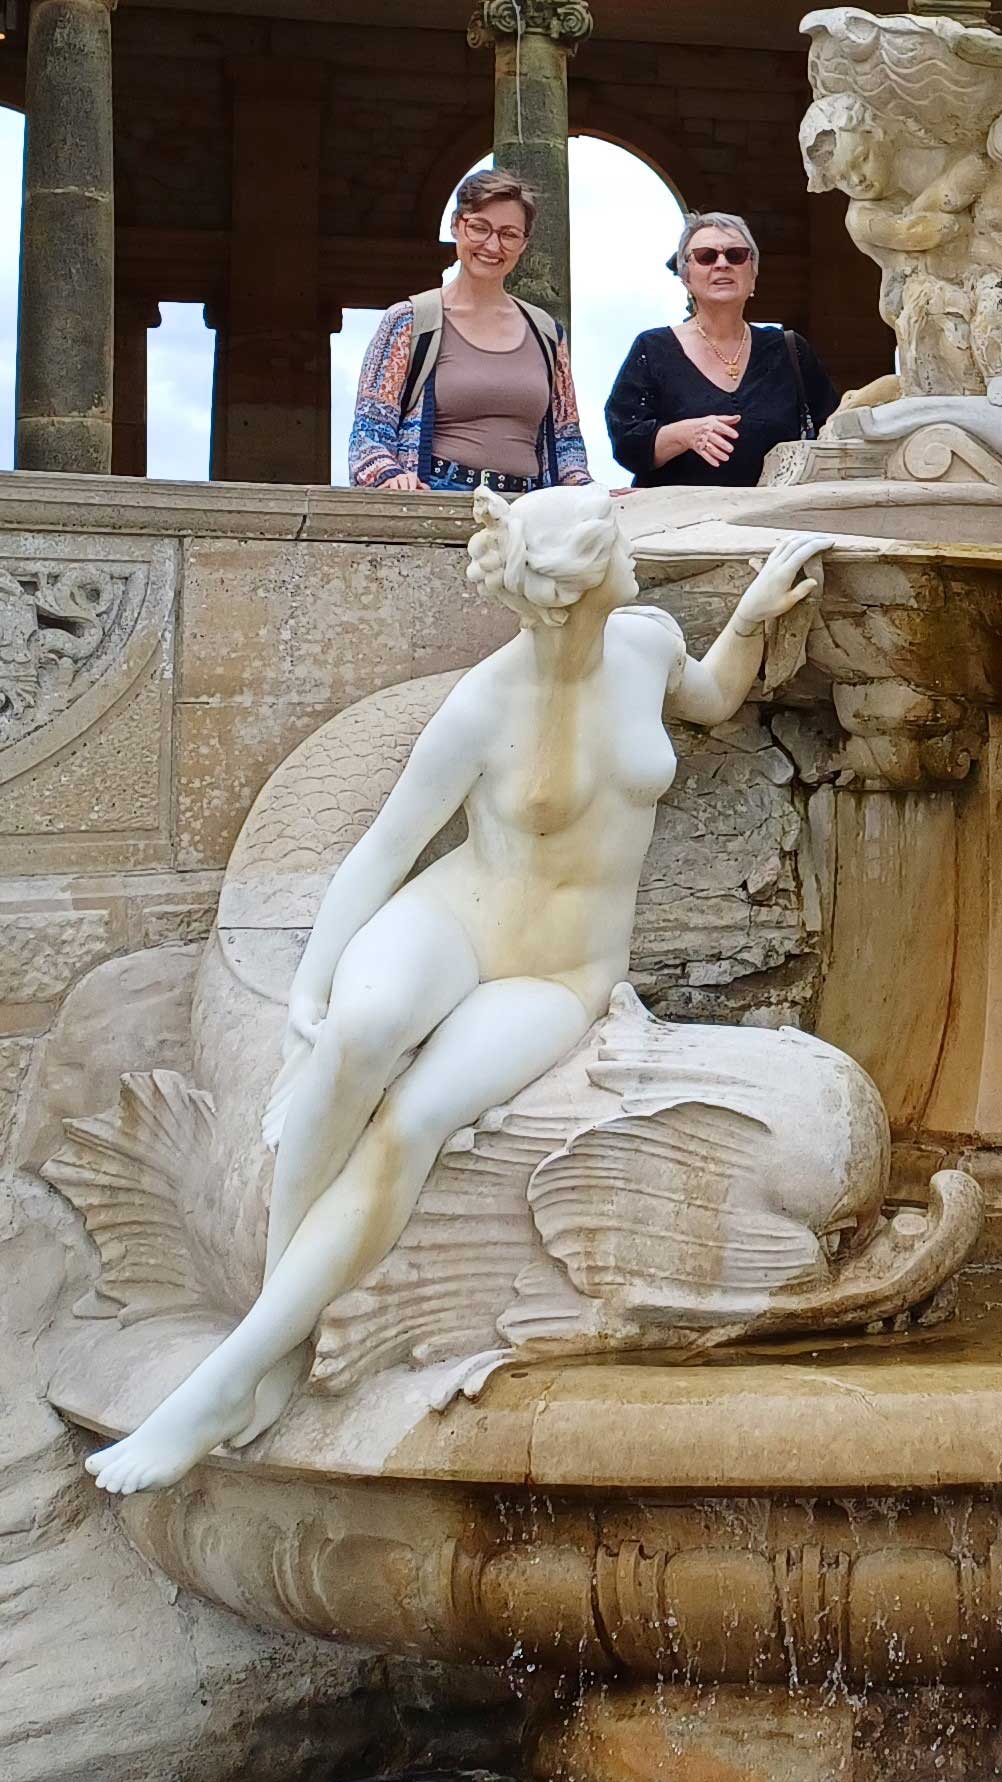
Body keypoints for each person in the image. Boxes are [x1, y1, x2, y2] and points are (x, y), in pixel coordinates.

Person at [86, 494, 831, 1492]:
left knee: (415, 1116)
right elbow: (384, 849)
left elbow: (708, 697)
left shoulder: (646, 642)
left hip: (559, 970)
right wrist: (310, 985)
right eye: (611, 546)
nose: (630, 556)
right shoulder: (485, 702)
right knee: (361, 1031)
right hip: (454, 916)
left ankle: (232, 1374)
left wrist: (750, 617)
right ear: (568, 593)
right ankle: (268, 1332)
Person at [348, 169, 591, 493]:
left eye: (509, 234)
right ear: (456, 224)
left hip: (530, 511)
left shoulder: (547, 333)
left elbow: (565, 441)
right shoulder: (408, 322)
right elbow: (370, 429)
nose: (492, 245)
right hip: (438, 497)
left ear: (524, 244)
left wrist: (588, 490)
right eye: (479, 228)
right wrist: (387, 476)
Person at [603, 209, 838, 487]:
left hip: (776, 522)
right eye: (706, 256)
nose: (722, 264)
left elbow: (832, 434)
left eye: (736, 255)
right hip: (682, 523)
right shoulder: (652, 349)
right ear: (686, 278)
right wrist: (685, 434)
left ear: (753, 273)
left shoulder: (789, 350)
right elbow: (626, 444)